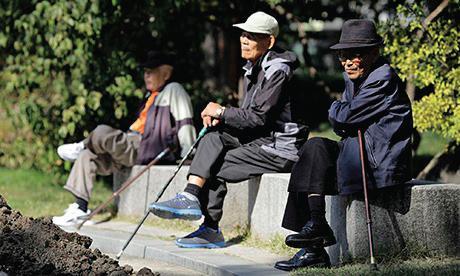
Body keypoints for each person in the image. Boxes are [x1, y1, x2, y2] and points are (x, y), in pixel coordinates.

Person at [148, 11, 308, 249]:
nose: (244, 39)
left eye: (252, 36)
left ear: (269, 41)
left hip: (281, 148)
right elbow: (249, 119)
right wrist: (220, 119)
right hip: (261, 140)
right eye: (244, 34)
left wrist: (222, 112)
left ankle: (210, 227)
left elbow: (258, 118)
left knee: (212, 165)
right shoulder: (253, 68)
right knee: (213, 138)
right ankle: (191, 196)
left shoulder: (277, 71)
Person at [273, 19, 413, 271]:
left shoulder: (383, 77)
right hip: (355, 154)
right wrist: (342, 112)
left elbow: (343, 117)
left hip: (378, 165)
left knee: (316, 161)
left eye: (354, 55)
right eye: (342, 55)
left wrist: (338, 109)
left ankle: (313, 245)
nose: (347, 62)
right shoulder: (355, 77)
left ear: (374, 53)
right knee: (313, 148)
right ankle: (316, 230)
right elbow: (343, 123)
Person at [52, 51, 196, 227]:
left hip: (145, 147)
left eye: (151, 71)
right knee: (87, 156)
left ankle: (80, 145)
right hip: (130, 144)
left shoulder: (174, 90)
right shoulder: (150, 96)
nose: (146, 75)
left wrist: (189, 152)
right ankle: (80, 209)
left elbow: (185, 121)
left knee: (101, 131)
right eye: (145, 72)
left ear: (166, 73)